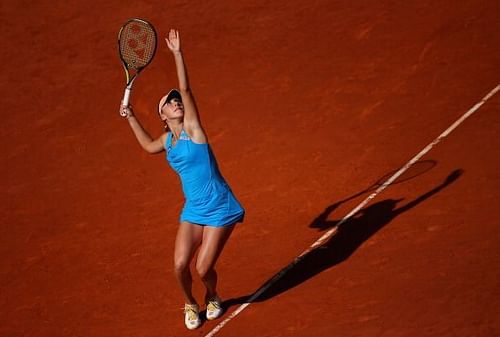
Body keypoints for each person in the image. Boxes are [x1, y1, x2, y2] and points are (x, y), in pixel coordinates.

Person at [119, 29, 245, 330]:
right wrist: (131, 117)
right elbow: (149, 146)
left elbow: (186, 92)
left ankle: (212, 295)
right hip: (193, 210)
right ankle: (190, 303)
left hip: (219, 207)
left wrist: (177, 54)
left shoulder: (193, 130)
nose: (176, 102)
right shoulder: (168, 141)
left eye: (177, 100)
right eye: (170, 102)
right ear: (162, 114)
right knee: (179, 266)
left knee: (203, 268)